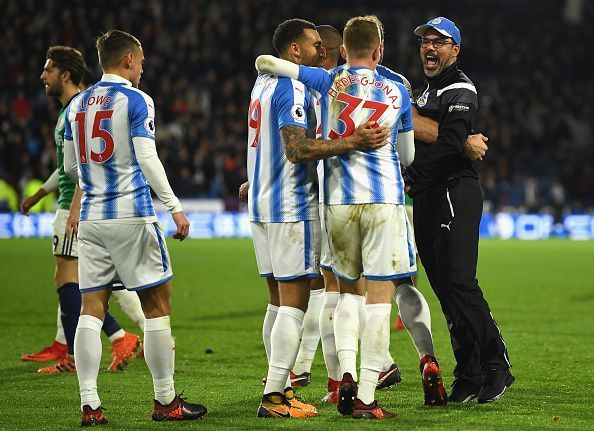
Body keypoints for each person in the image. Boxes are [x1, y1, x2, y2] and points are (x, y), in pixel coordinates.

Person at [256, 15, 447, 419]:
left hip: (338, 203)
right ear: (379, 50)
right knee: (383, 297)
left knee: (345, 294)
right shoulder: (396, 85)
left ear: (343, 50)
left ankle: (341, 372)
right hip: (383, 201)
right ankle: (366, 393)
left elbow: (268, 63)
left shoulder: (327, 80)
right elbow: (409, 155)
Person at [63, 30, 206, 425]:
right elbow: (147, 157)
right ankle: (165, 401)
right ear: (128, 60)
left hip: (92, 218)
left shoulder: (77, 105)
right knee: (157, 305)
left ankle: (90, 405)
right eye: (140, 61)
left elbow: (73, 167)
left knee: (91, 309)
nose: (142, 69)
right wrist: (175, 208)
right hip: (132, 215)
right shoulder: (137, 100)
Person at [249, 18, 389, 419]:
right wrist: (352, 141)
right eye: (313, 45)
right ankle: (276, 396)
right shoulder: (292, 88)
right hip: (290, 207)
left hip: (260, 205)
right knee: (295, 303)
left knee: (276, 302)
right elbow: (295, 149)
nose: (321, 52)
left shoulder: (261, 85)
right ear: (294, 50)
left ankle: (281, 383)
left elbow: (268, 145)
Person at [408, 17, 513, 404]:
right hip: (429, 197)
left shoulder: (460, 87)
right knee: (446, 292)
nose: (429, 47)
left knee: (460, 284)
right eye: (425, 42)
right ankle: (467, 374)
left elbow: (454, 144)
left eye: (439, 42)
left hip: (454, 193)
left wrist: (411, 178)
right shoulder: (425, 92)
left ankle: (496, 367)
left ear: (455, 50)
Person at [20, 46, 141, 374]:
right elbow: (66, 167)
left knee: (74, 281)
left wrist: (75, 208)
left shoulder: (78, 108)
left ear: (66, 75)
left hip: (78, 207)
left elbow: (85, 166)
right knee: (75, 280)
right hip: (73, 204)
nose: (43, 77)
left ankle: (88, 350)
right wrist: (40, 194)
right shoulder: (68, 111)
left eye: (48, 71)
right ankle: (105, 340)